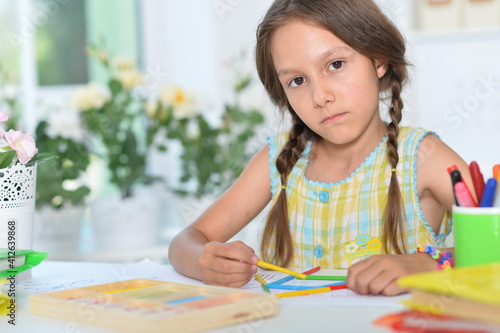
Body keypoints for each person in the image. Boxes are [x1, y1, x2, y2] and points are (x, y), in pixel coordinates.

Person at [168, 0, 473, 296]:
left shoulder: (423, 157)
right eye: (298, 80)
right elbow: (186, 241)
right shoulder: (277, 160)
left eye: (335, 64)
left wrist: (429, 263)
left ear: (378, 60)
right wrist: (205, 261)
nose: (320, 96)